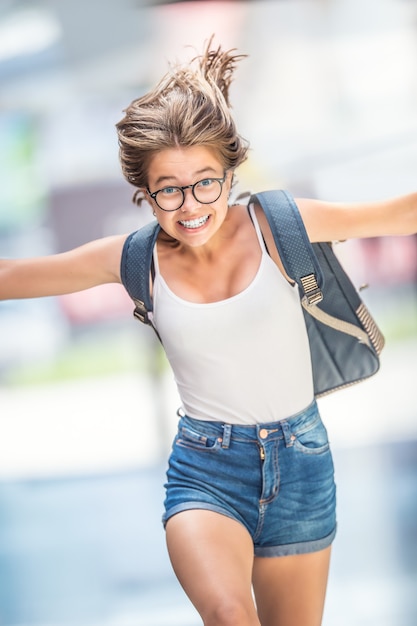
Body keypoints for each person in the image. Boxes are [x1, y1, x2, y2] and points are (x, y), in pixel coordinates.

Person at [1, 38, 416, 626]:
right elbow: (12, 274)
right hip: (206, 468)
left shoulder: (279, 224)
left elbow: (400, 213)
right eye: (168, 188)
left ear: (228, 175)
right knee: (227, 614)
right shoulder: (135, 257)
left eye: (205, 182)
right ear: (144, 192)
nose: (190, 204)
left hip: (301, 462)